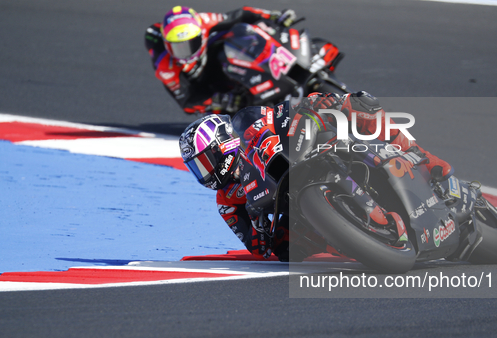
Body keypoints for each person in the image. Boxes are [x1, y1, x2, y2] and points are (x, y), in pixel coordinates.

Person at [178, 92, 453, 261]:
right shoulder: (226, 200)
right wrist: (259, 228)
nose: (204, 172)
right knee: (288, 252)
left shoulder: (253, 128)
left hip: (303, 153)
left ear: (223, 144)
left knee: (358, 103)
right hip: (291, 203)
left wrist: (313, 105)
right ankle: (358, 238)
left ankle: (424, 158)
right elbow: (255, 247)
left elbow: (282, 114)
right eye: (196, 167)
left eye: (204, 162)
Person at [145, 6, 297, 116]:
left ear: (201, 34)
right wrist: (219, 99)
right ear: (167, 45)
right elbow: (187, 102)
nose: (186, 52)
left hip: (213, 58)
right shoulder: (166, 67)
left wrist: (271, 16)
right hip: (203, 88)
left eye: (191, 44)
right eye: (179, 48)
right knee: (223, 119)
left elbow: (240, 14)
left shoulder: (205, 21)